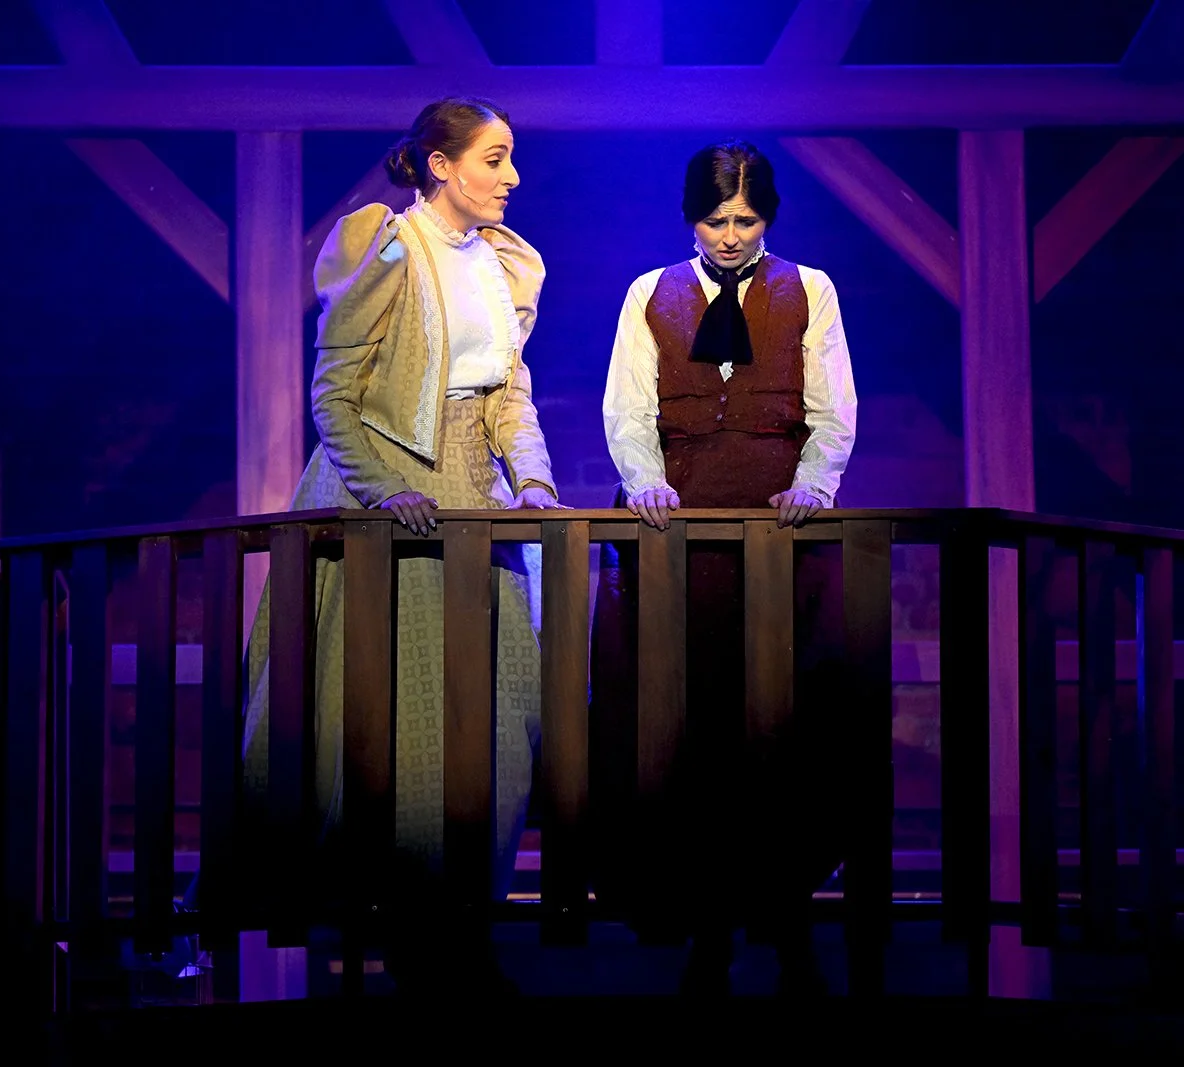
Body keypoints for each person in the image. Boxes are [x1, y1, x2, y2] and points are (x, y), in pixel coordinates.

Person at [238, 96, 567, 994]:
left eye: (511, 158)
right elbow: (333, 395)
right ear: (440, 165)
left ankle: (466, 925)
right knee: (395, 730)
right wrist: (387, 491)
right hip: (386, 498)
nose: (512, 177)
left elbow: (509, 394)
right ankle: (410, 941)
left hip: (476, 500)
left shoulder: (501, 263)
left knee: (496, 721)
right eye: (494, 159)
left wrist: (533, 478)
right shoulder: (387, 245)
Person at [589, 141, 858, 995]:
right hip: (683, 539)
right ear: (690, 218)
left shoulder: (810, 288)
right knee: (693, 730)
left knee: (785, 728)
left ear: (767, 216)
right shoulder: (650, 292)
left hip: (783, 538)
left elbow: (833, 409)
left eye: (745, 219)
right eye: (715, 220)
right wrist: (646, 482)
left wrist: (814, 485)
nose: (731, 235)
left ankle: (789, 924)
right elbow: (628, 409)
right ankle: (706, 929)